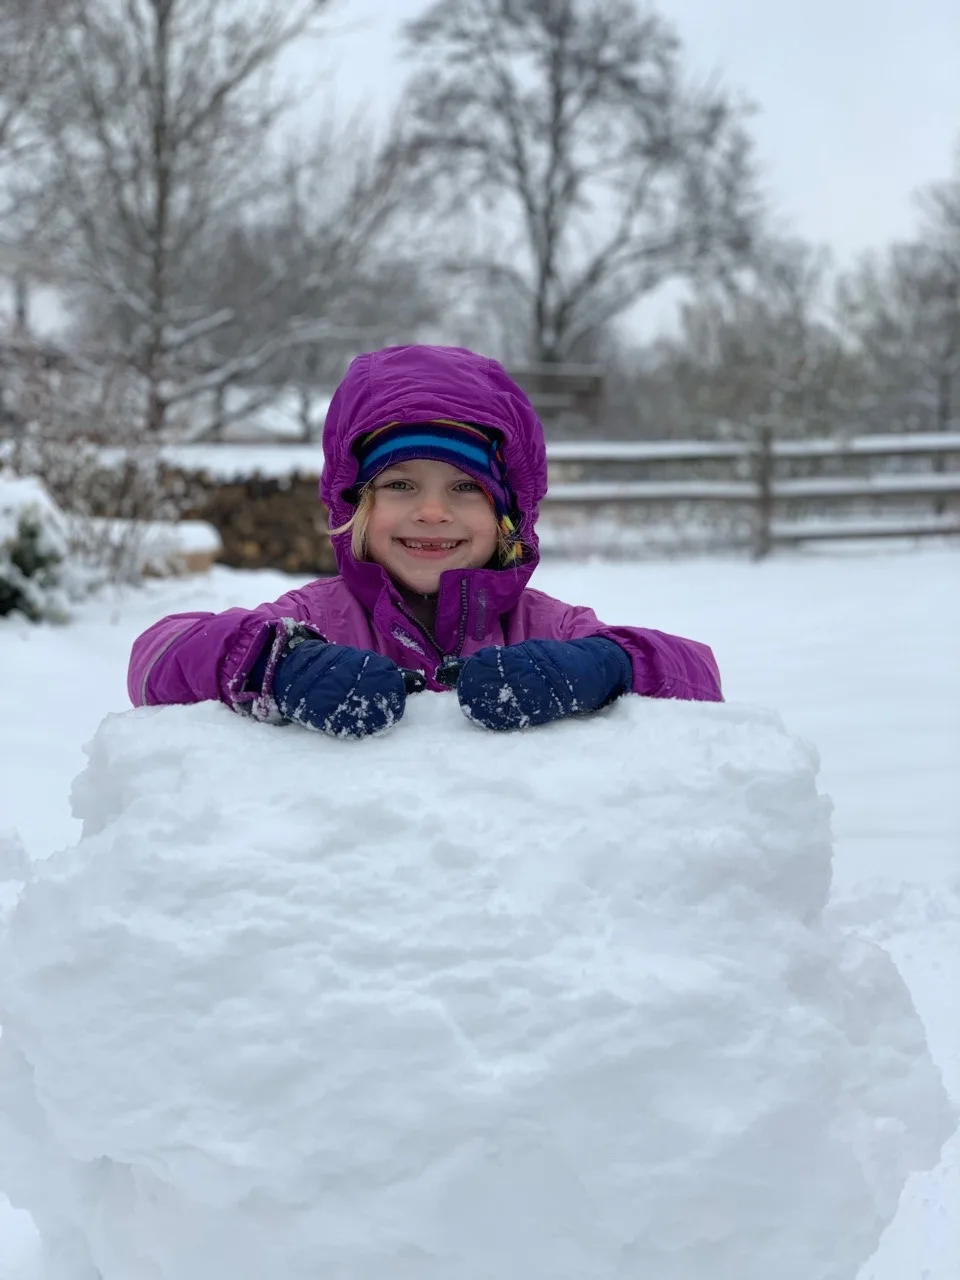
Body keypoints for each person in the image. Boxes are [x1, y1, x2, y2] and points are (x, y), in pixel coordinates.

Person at [128, 344, 722, 736]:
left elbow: (701, 679)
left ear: (508, 515)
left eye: (465, 488)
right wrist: (269, 664)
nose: (432, 512)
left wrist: (607, 665)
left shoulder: (547, 630)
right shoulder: (312, 619)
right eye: (402, 484)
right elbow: (155, 657)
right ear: (356, 504)